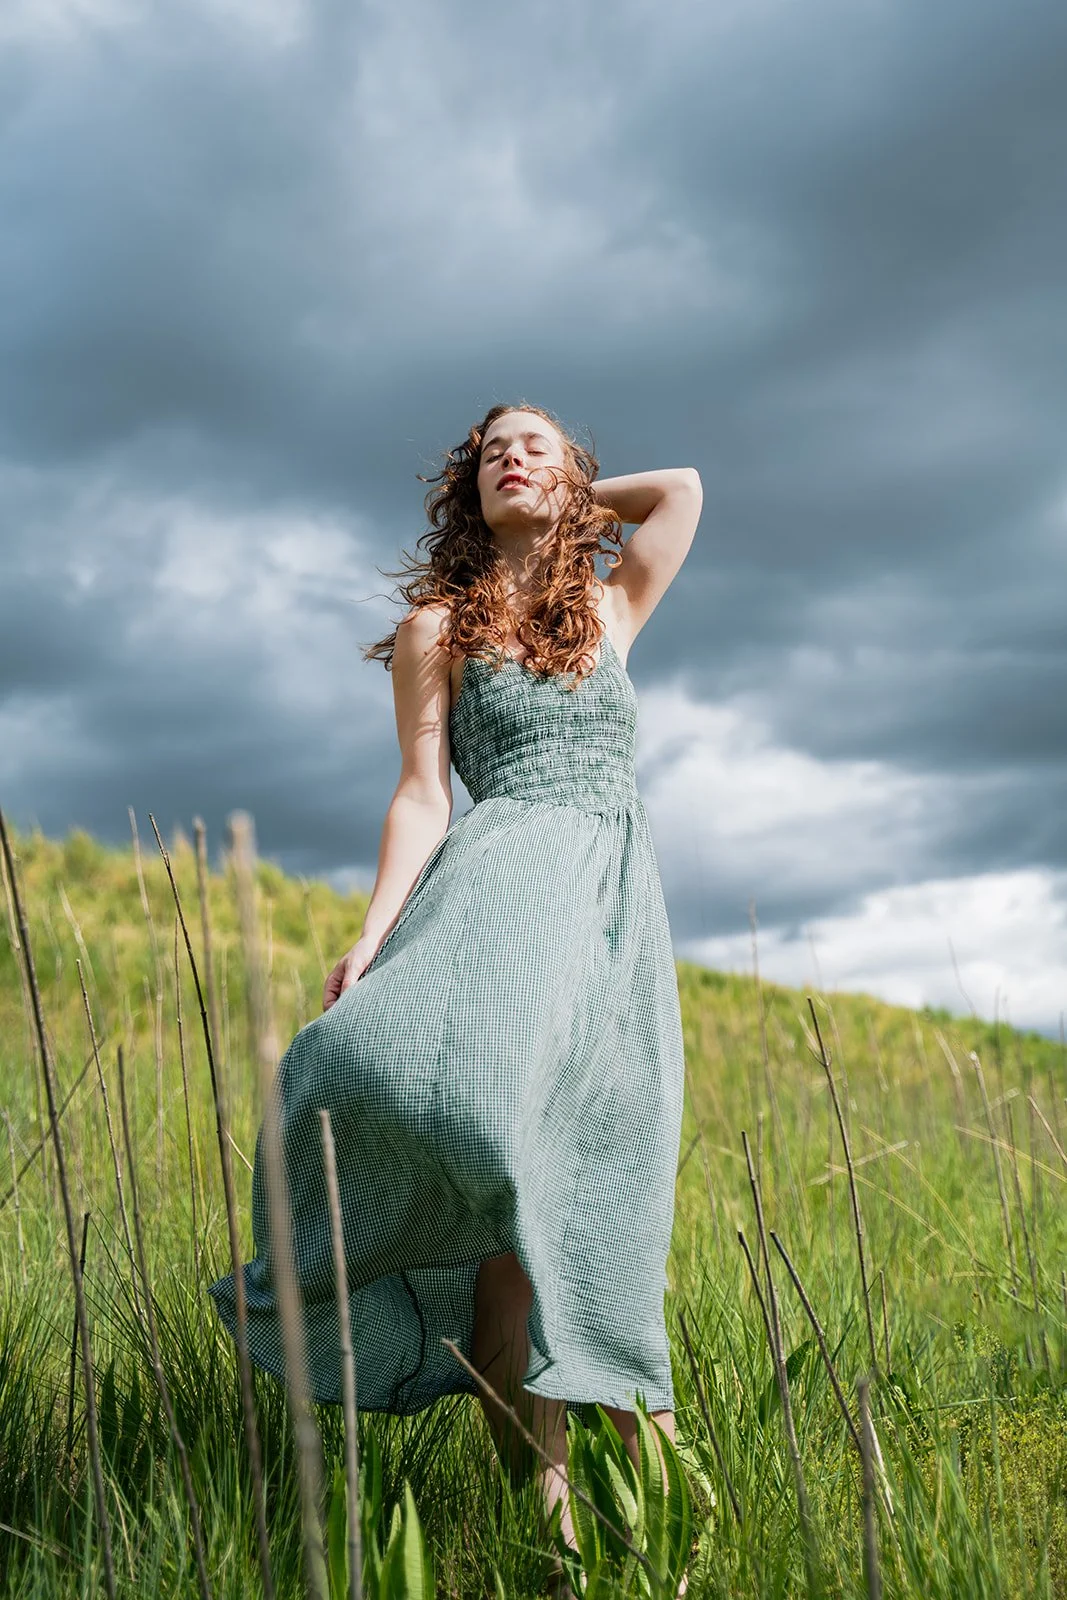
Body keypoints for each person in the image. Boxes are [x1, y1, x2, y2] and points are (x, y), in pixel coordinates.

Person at [209, 402, 702, 1595]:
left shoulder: (608, 611)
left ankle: (659, 1544)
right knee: (485, 1143)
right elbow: (422, 796)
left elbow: (680, 489)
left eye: (534, 444)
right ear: (462, 493)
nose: (510, 458)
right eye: (490, 452)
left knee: (591, 1222)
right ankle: (552, 1534)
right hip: (505, 891)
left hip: (617, 922)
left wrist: (573, 502)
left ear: (573, 478)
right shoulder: (441, 627)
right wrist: (371, 935)